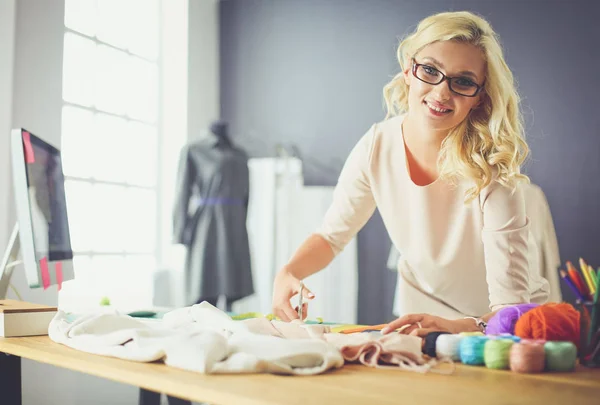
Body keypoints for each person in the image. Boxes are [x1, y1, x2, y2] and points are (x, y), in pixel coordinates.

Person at [271, 10, 550, 336]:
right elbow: (331, 237)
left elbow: (510, 311)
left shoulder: (491, 171)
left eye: (462, 81)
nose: (442, 93)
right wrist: (289, 272)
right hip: (419, 318)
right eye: (430, 70)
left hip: (492, 328)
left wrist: (456, 327)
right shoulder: (376, 146)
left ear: (479, 97)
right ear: (408, 70)